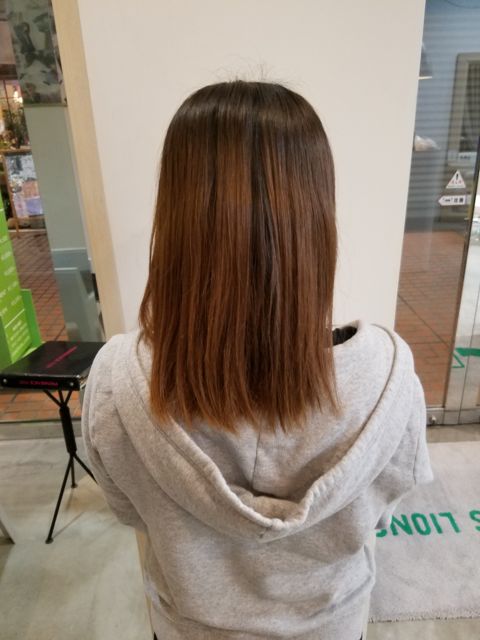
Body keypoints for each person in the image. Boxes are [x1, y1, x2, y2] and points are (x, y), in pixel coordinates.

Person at [81, 80, 434, 640]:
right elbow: (383, 507)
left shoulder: (117, 383)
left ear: (176, 216)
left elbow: (129, 511)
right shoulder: (388, 378)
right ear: (317, 217)